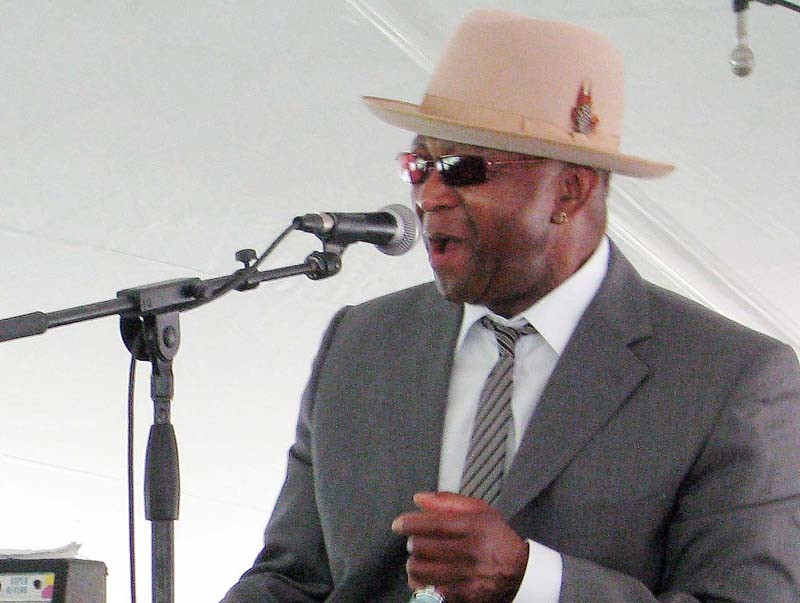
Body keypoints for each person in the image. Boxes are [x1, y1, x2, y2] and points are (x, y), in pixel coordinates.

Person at [221, 9, 800, 603]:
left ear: (569, 191)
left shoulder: (730, 378)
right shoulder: (363, 341)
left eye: (463, 169)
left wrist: (529, 580)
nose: (429, 196)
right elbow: (290, 577)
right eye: (419, 167)